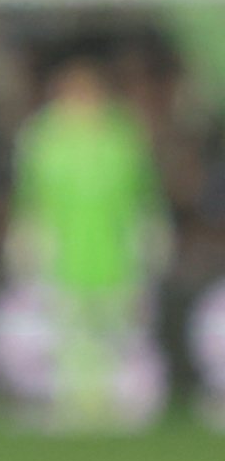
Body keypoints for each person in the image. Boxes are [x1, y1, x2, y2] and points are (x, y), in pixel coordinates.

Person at [13, 54, 169, 434]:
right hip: (65, 258)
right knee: (70, 336)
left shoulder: (122, 136)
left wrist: (152, 234)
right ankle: (76, 405)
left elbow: (144, 193)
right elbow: (30, 197)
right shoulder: (44, 138)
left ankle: (118, 402)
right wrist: (26, 238)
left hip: (116, 257)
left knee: (119, 333)